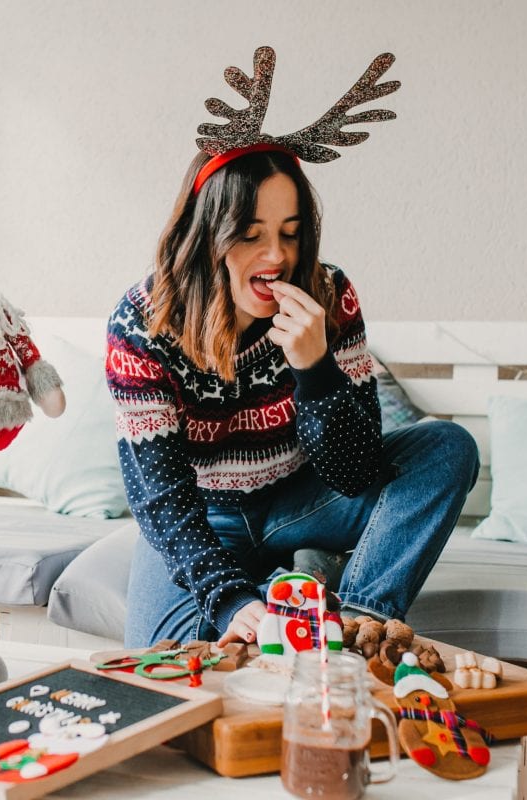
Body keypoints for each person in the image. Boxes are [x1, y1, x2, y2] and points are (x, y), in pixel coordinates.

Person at [106, 148, 480, 649]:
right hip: (204, 515)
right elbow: (160, 497)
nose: (277, 256)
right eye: (250, 234)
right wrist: (232, 600)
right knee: (162, 653)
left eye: (290, 232)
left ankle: (356, 620)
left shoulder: (330, 295)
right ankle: (304, 582)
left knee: (447, 447)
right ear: (206, 234)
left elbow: (357, 473)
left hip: (305, 500)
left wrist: (314, 368)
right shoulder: (141, 323)